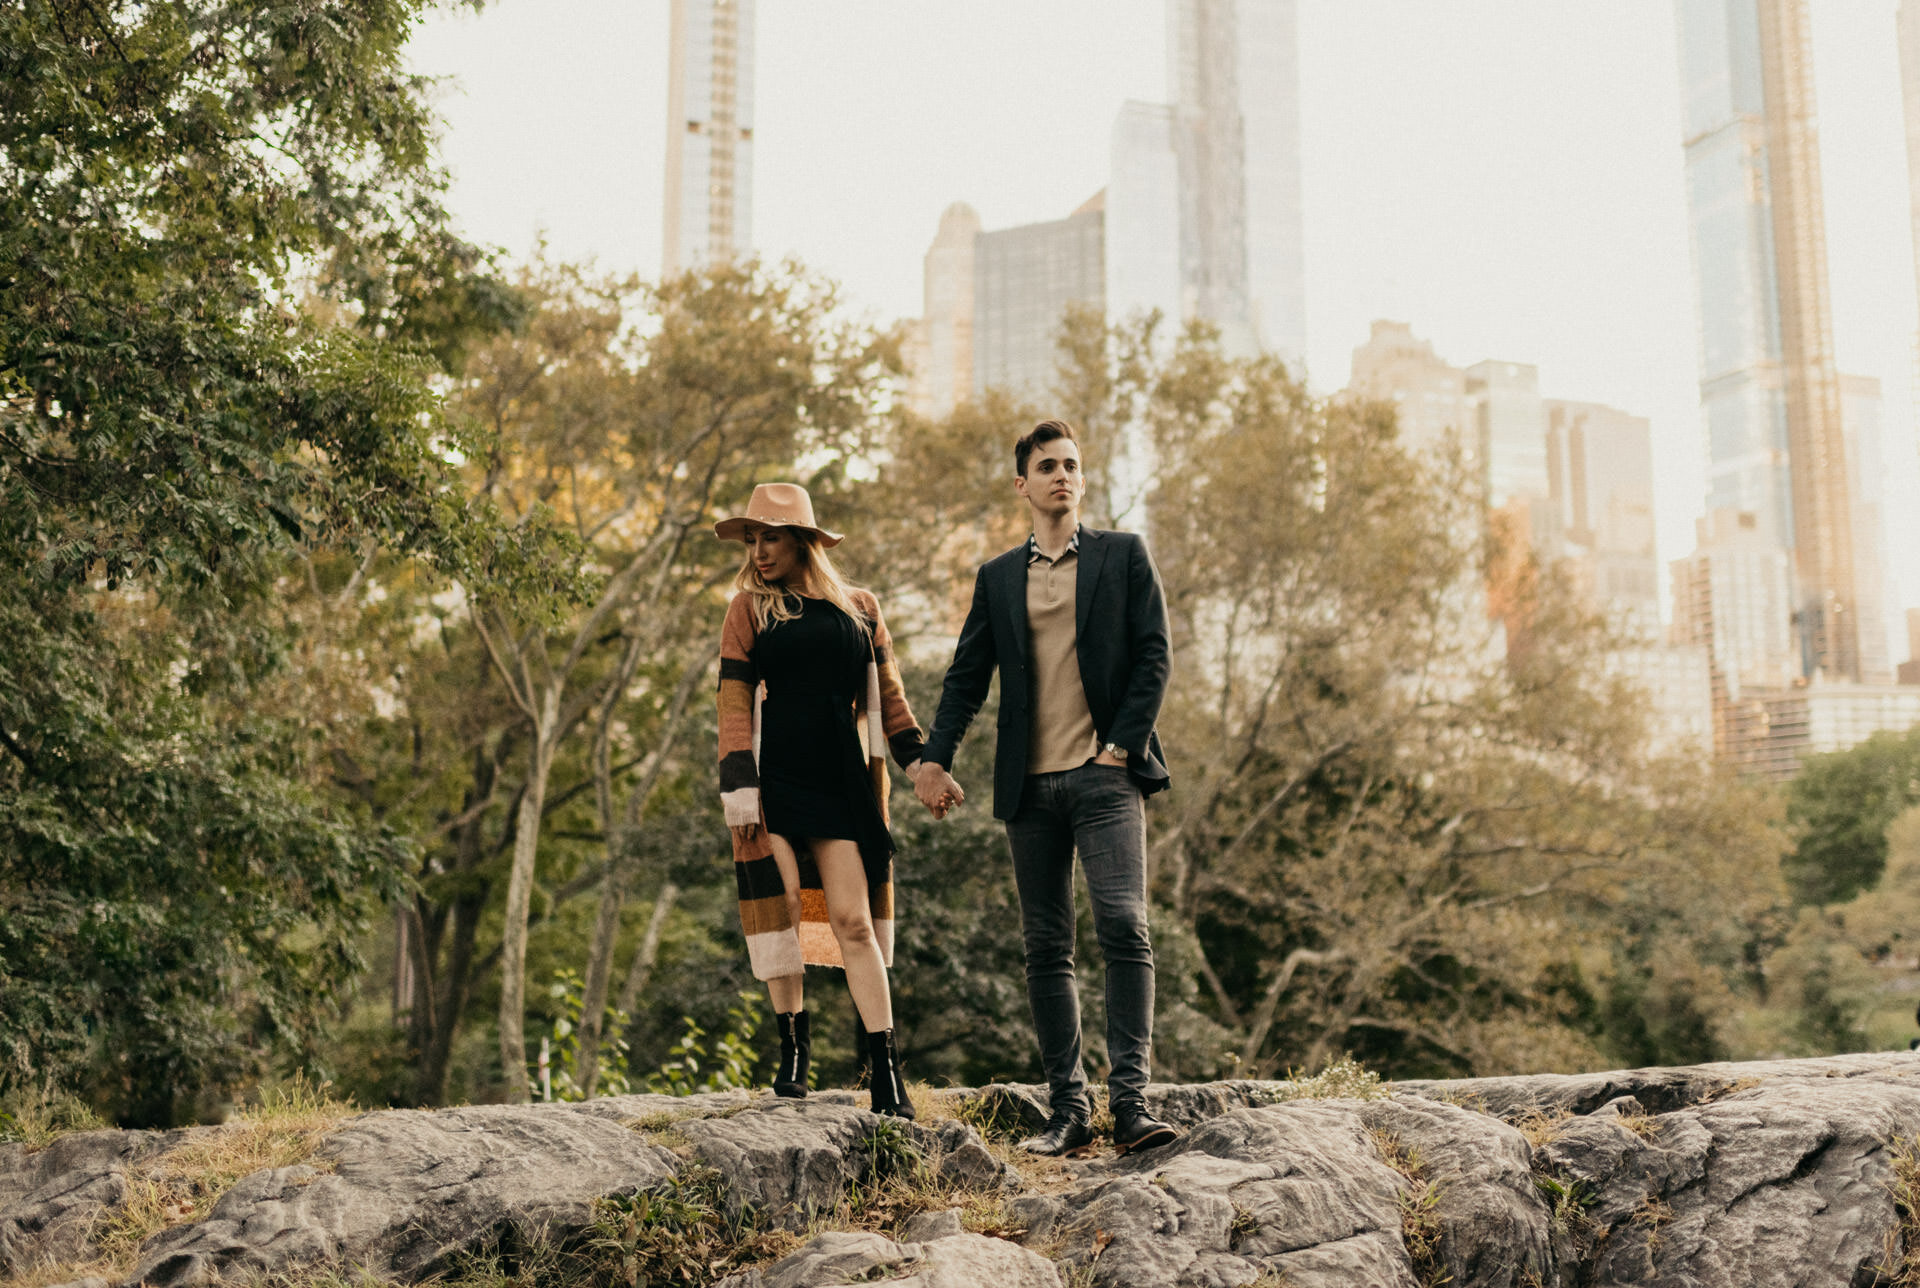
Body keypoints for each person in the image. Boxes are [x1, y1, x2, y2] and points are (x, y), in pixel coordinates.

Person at [914, 419, 1180, 1157]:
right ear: (1022, 484)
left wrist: (1121, 746)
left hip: (1105, 780)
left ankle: (1130, 1105)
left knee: (1124, 925)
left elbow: (1155, 655)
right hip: (1027, 789)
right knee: (1046, 947)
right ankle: (1068, 1110)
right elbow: (967, 677)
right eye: (1046, 466)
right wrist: (934, 760)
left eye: (1071, 465)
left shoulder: (1123, 556)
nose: (1061, 475)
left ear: (1082, 480)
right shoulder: (998, 577)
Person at [714, 482, 929, 1118]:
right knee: (780, 908)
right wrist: (739, 788)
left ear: (804, 539)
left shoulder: (861, 608)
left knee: (852, 922)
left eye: (770, 537)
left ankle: (886, 1071)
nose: (758, 551)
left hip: (841, 781)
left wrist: (922, 766)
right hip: (774, 780)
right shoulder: (748, 608)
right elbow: (731, 704)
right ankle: (794, 1049)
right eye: (752, 540)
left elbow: (891, 699)